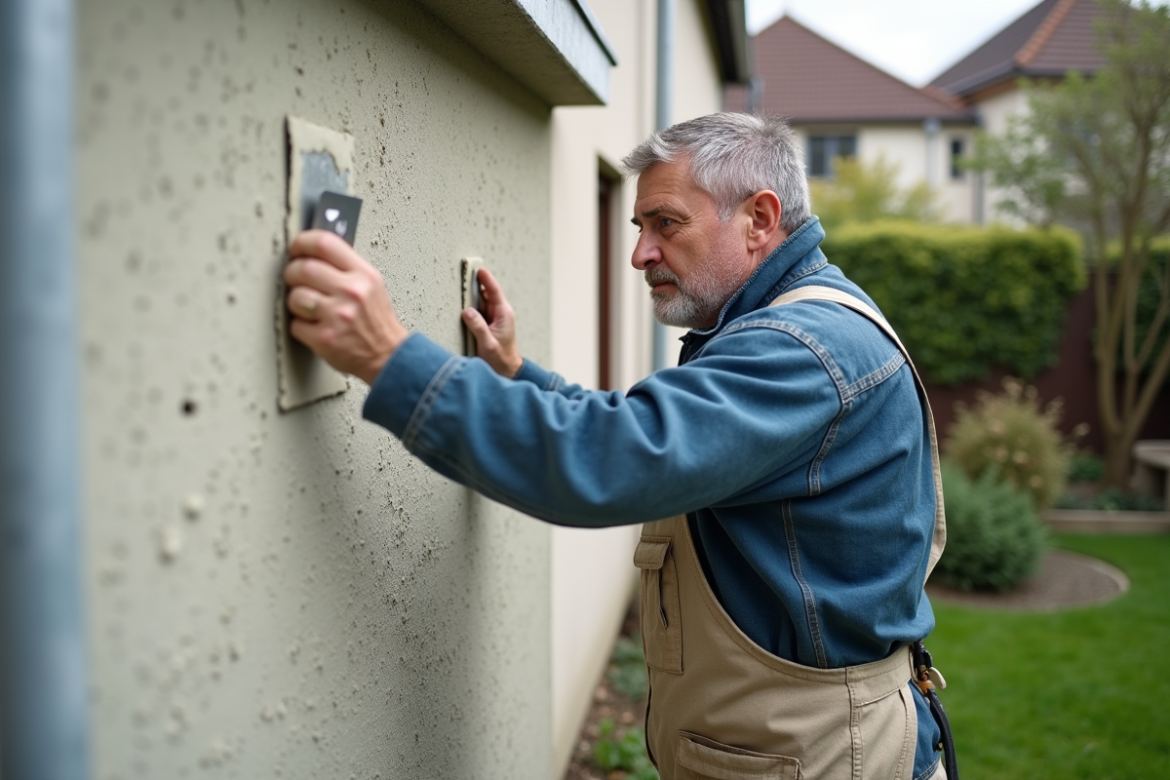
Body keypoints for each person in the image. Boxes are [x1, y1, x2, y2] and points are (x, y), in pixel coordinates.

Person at [284, 113, 952, 780]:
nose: (640, 253)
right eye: (639, 227)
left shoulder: (801, 350)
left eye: (666, 223)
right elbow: (643, 428)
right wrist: (521, 377)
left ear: (759, 218)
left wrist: (387, 357)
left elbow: (607, 458)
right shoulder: (799, 324)